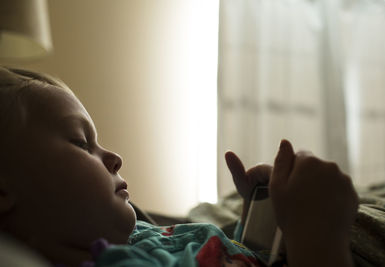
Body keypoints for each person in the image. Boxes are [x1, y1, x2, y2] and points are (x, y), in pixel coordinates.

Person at [0, 66, 359, 267]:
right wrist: (320, 236)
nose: (114, 158)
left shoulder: (139, 238)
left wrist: (258, 221)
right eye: (81, 143)